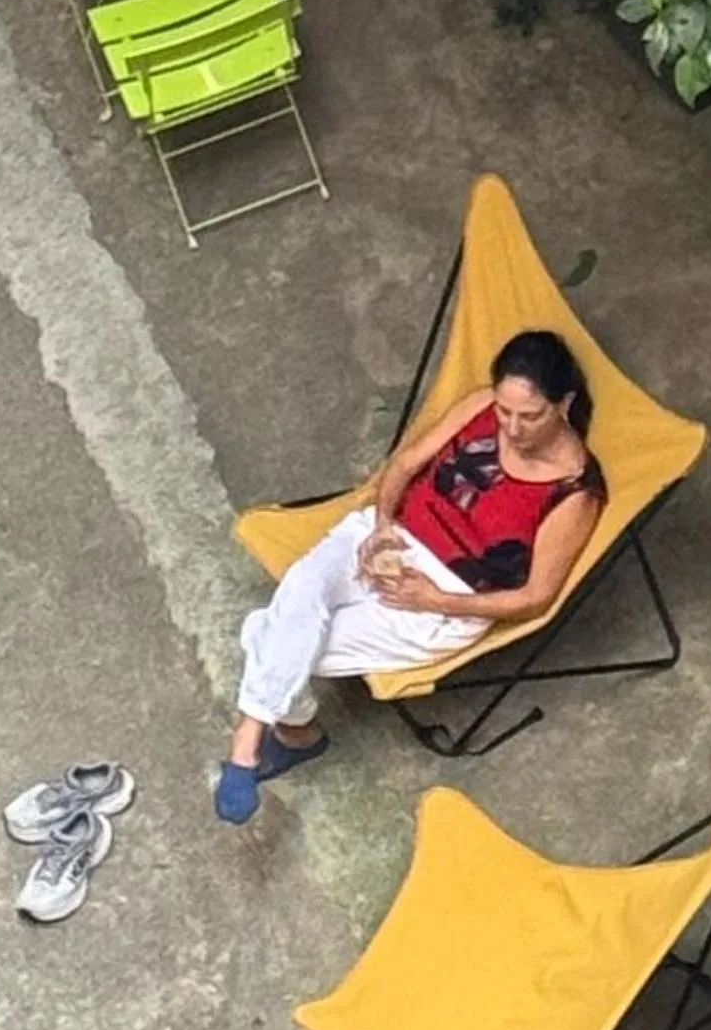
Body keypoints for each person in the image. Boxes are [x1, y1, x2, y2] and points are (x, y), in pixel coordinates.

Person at [216, 330, 606, 823]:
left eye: (530, 416)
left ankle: (281, 736)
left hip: (445, 601)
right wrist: (381, 525)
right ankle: (256, 739)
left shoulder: (574, 490)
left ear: (564, 404)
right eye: (506, 412)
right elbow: (404, 465)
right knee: (304, 593)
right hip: (393, 538)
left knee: (265, 631)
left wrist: (438, 599)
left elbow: (536, 596)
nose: (511, 426)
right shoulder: (483, 406)